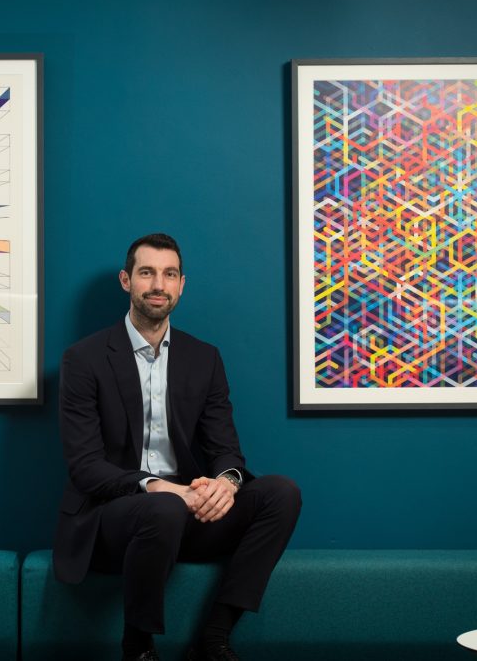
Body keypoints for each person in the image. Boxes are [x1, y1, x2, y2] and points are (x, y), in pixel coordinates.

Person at [54, 233, 302, 661]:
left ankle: (215, 637)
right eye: (147, 272)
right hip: (115, 519)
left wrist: (225, 484)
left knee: (281, 493)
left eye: (169, 274)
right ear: (126, 281)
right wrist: (165, 489)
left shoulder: (204, 358)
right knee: (164, 507)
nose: (158, 285)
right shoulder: (84, 359)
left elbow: (226, 449)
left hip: (187, 514)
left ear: (181, 284)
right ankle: (138, 647)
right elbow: (86, 467)